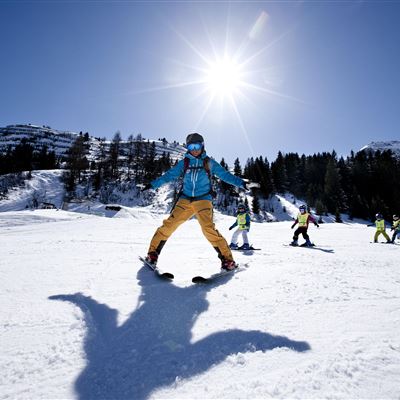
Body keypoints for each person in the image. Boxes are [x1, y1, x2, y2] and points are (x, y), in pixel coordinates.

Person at [143, 133, 247, 271]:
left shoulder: (208, 162)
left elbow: (225, 175)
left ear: (202, 146)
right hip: (185, 199)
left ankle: (228, 261)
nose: (194, 149)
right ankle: (152, 255)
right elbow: (169, 175)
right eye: (190, 146)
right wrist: (153, 184)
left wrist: (241, 183)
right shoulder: (184, 163)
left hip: (203, 199)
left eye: (197, 146)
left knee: (208, 229)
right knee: (169, 225)